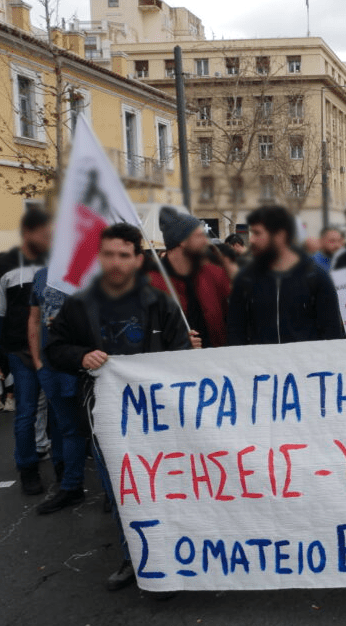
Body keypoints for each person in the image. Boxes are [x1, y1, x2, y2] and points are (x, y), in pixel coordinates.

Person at [46, 223, 192, 591]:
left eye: (124, 255)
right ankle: (136, 559)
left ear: (138, 259)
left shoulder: (161, 303)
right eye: (109, 254)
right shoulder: (79, 305)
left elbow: (182, 356)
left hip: (159, 419)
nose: (116, 262)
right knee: (122, 493)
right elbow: (55, 350)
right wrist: (81, 356)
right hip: (107, 420)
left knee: (164, 490)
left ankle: (174, 559)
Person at [227, 206, 343, 345]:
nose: (251, 240)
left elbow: (332, 333)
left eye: (257, 233)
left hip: (307, 358)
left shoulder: (317, 277)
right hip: (259, 358)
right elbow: (235, 331)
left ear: (280, 235)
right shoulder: (245, 279)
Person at [0, 208, 52, 495]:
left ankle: (62, 466)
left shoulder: (55, 263)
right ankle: (28, 469)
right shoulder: (5, 267)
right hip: (20, 350)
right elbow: (0, 314)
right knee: (26, 411)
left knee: (58, 409)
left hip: (53, 349)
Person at [29, 266, 85, 514]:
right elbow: (34, 319)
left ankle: (111, 492)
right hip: (51, 366)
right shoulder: (41, 275)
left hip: (84, 362)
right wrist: (38, 362)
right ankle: (71, 487)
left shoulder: (91, 269)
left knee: (99, 429)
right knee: (68, 427)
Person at [147, 207, 231, 349]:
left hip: (217, 358)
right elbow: (149, 332)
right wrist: (179, 343)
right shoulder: (152, 282)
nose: (206, 241)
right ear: (182, 241)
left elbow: (232, 320)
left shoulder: (212, 274)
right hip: (174, 361)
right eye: (199, 236)